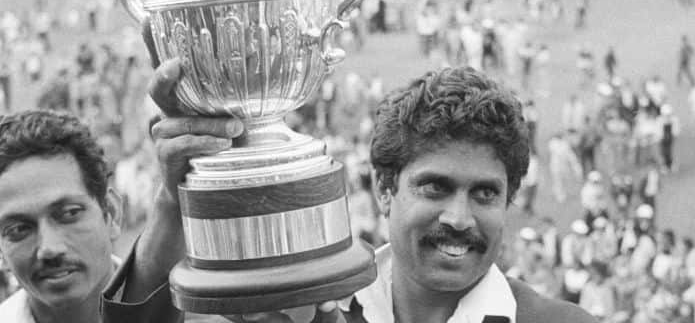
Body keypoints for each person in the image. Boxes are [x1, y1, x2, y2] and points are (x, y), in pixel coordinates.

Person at [102, 63, 595, 323]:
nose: (460, 218)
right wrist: (174, 198)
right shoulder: (302, 311)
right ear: (384, 188)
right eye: (435, 187)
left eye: (485, 194)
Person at [0, 110, 123, 323]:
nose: (49, 248)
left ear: (110, 213)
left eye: (69, 214)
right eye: (19, 229)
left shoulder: (187, 314)